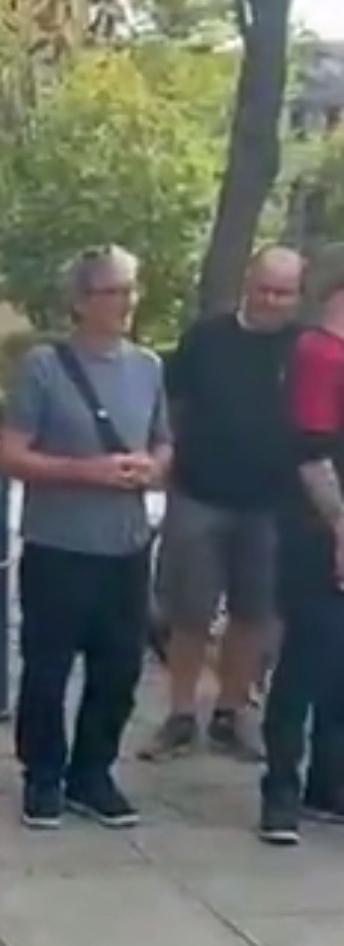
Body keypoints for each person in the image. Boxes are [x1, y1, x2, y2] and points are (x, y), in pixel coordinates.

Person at [0, 245, 172, 830]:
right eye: (113, 291)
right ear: (81, 301)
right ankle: (43, 775)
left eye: (131, 289)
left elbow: (164, 441)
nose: (126, 302)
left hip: (126, 546)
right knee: (48, 668)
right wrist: (86, 472)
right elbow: (12, 454)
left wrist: (152, 466)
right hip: (59, 546)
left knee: (119, 669)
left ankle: (93, 773)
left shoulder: (148, 367)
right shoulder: (44, 367)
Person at [143, 246, 304, 762]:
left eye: (284, 293)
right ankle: (180, 714)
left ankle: (231, 713)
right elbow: (172, 406)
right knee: (188, 612)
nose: (272, 301)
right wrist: (165, 462)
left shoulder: (304, 348)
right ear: (247, 284)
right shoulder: (206, 337)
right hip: (199, 494)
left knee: (255, 612)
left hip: (274, 504)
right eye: (265, 289)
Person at [260, 246, 344, 845]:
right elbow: (311, 453)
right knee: (307, 661)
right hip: (318, 533)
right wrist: (341, 527)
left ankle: (328, 783)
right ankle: (281, 790)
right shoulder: (318, 353)